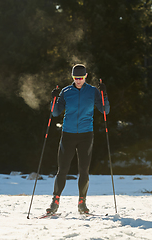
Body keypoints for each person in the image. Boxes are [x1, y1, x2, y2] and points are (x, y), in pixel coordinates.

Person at [46, 64, 110, 214]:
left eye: (81, 78)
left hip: (86, 135)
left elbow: (105, 110)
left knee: (84, 170)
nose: (78, 80)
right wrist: (54, 99)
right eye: (76, 78)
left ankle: (82, 203)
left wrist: (104, 95)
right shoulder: (66, 91)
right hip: (67, 134)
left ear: (86, 76)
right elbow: (55, 113)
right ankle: (55, 202)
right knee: (62, 170)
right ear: (72, 77)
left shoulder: (93, 91)